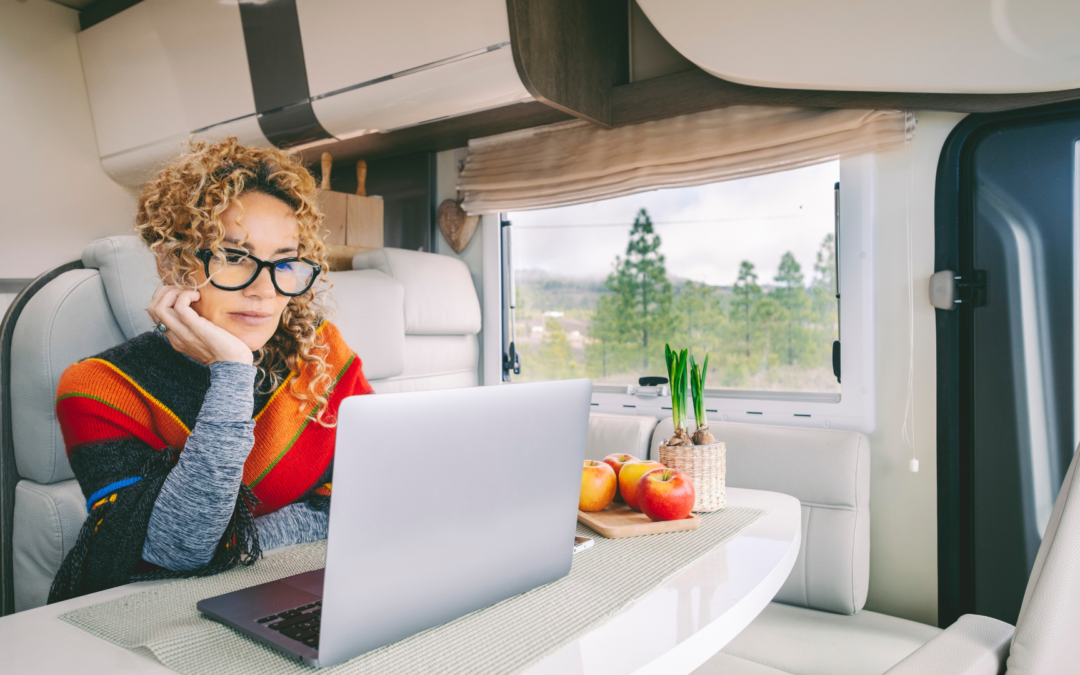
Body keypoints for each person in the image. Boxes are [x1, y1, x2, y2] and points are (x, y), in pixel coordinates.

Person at [48, 138, 373, 603]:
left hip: (289, 586)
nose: (265, 290)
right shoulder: (96, 388)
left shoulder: (320, 352)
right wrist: (232, 373)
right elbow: (178, 549)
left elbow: (374, 491)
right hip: (142, 613)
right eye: (234, 257)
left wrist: (240, 542)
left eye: (285, 261)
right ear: (171, 262)